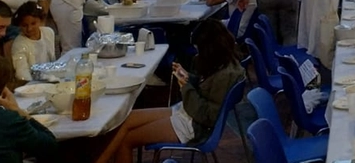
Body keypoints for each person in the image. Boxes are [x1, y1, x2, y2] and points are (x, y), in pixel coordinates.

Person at [94, 19, 245, 163]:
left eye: (199, 49)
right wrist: (188, 78)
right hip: (187, 113)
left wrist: (186, 87)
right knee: (126, 120)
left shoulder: (225, 76)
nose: (197, 54)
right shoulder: (226, 64)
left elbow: (207, 115)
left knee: (126, 140)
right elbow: (205, 89)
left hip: (193, 126)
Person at [3, 2, 55, 82]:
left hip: (51, 77)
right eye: (24, 25)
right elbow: (22, 73)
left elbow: (52, 60)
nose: (29, 29)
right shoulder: (19, 44)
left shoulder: (48, 33)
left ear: (41, 20)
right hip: (32, 84)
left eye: (33, 23)